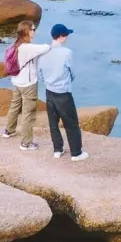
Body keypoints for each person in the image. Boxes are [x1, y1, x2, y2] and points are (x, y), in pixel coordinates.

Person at [35, 23, 86, 160]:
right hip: (63, 93)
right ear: (62, 37)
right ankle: (76, 153)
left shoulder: (43, 52)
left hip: (49, 92)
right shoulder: (67, 53)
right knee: (71, 124)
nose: (67, 37)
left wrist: (48, 82)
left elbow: (39, 72)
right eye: (66, 35)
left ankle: (57, 150)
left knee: (53, 123)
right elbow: (72, 73)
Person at [1, 20, 50, 151]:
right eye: (33, 29)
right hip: (28, 84)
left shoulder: (15, 45)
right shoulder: (28, 48)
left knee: (15, 106)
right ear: (27, 31)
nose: (35, 31)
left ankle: (9, 130)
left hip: (16, 81)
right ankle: (26, 143)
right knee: (29, 113)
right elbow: (46, 47)